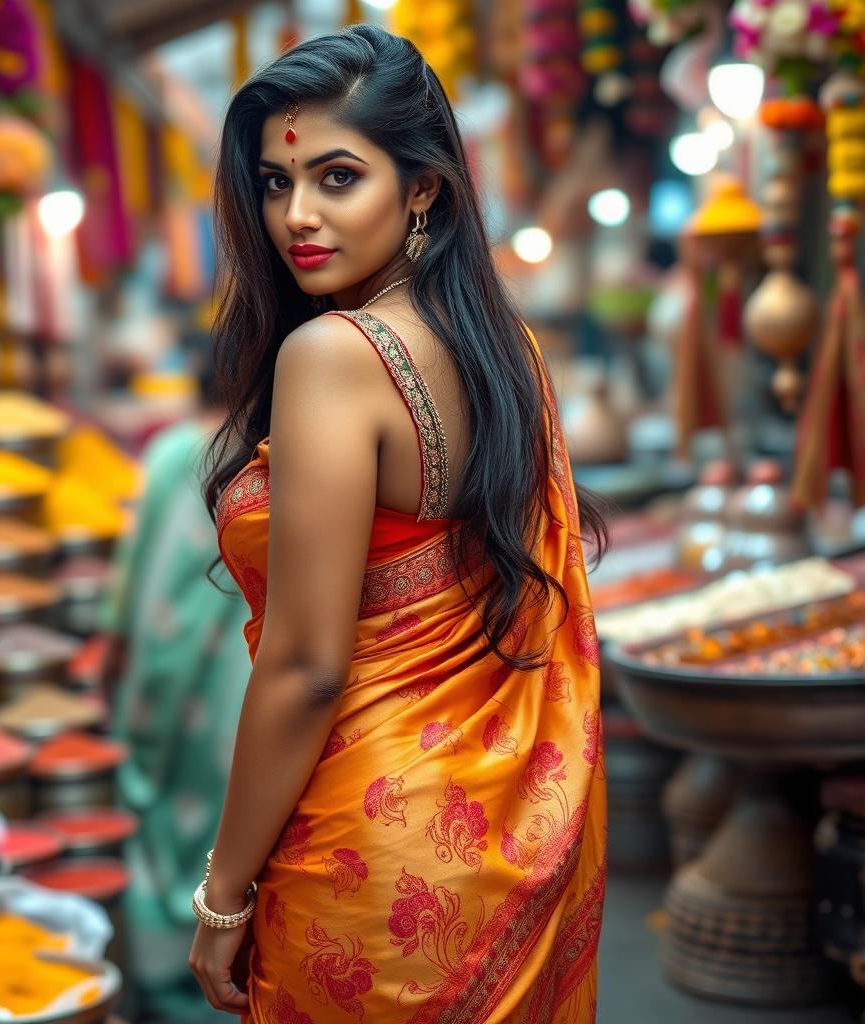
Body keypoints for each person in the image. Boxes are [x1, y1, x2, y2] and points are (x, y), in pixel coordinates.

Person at [189, 24, 608, 1024]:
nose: (297, 215)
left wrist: (221, 894)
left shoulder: (333, 356)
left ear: (421, 187)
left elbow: (304, 665)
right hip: (498, 832)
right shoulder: (506, 349)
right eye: (275, 183)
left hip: (365, 860)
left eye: (338, 178)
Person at [103, 374, 252, 1023]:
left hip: (182, 695)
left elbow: (142, 594)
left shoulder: (175, 455)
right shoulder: (285, 449)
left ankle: (173, 991)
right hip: (245, 695)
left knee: (167, 845)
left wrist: (118, 685)